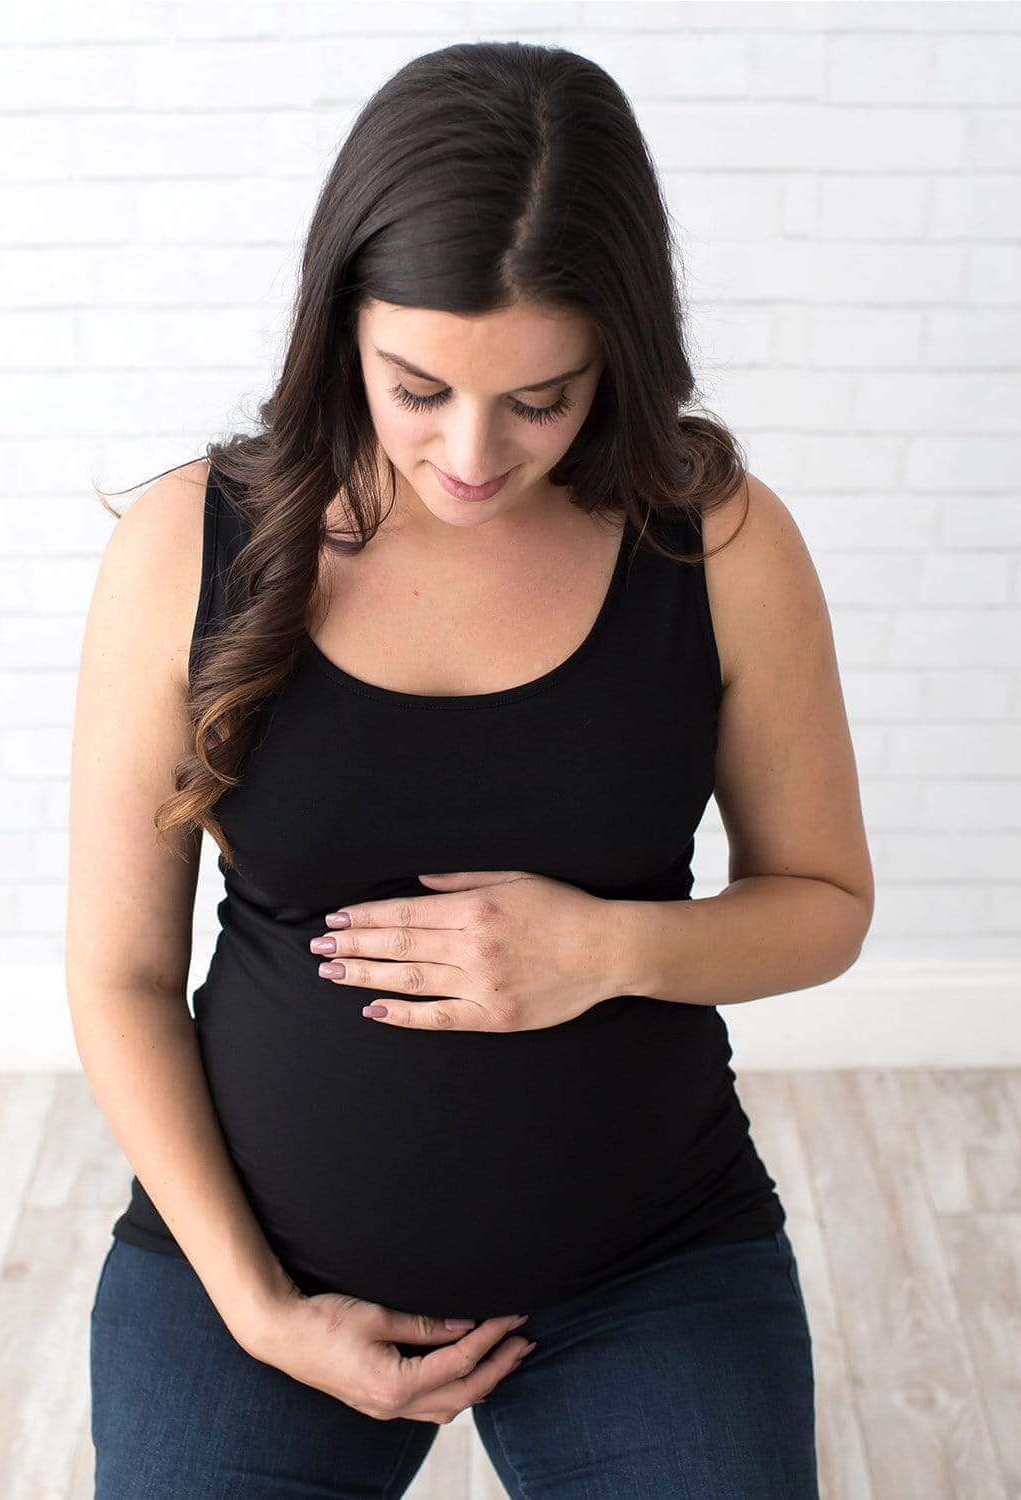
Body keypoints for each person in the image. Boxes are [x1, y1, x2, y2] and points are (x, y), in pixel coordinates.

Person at [67, 39, 872, 1499]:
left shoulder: (716, 537)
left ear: (618, 351)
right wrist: (259, 1306)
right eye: (418, 387)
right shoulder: (187, 544)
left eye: (542, 399)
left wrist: (603, 947)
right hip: (254, 1262)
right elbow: (119, 975)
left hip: (647, 1261)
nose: (474, 455)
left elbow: (823, 902)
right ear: (342, 329)